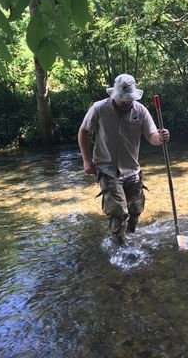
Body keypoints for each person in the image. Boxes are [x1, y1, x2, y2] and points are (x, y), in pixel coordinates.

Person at [78, 73, 170, 246]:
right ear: (114, 95)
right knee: (118, 211)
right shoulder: (99, 109)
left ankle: (128, 238)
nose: (127, 101)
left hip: (132, 170)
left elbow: (151, 136)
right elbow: (83, 131)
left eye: (129, 98)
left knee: (135, 209)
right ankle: (118, 246)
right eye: (123, 98)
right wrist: (87, 160)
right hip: (107, 169)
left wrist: (161, 137)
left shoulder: (140, 110)